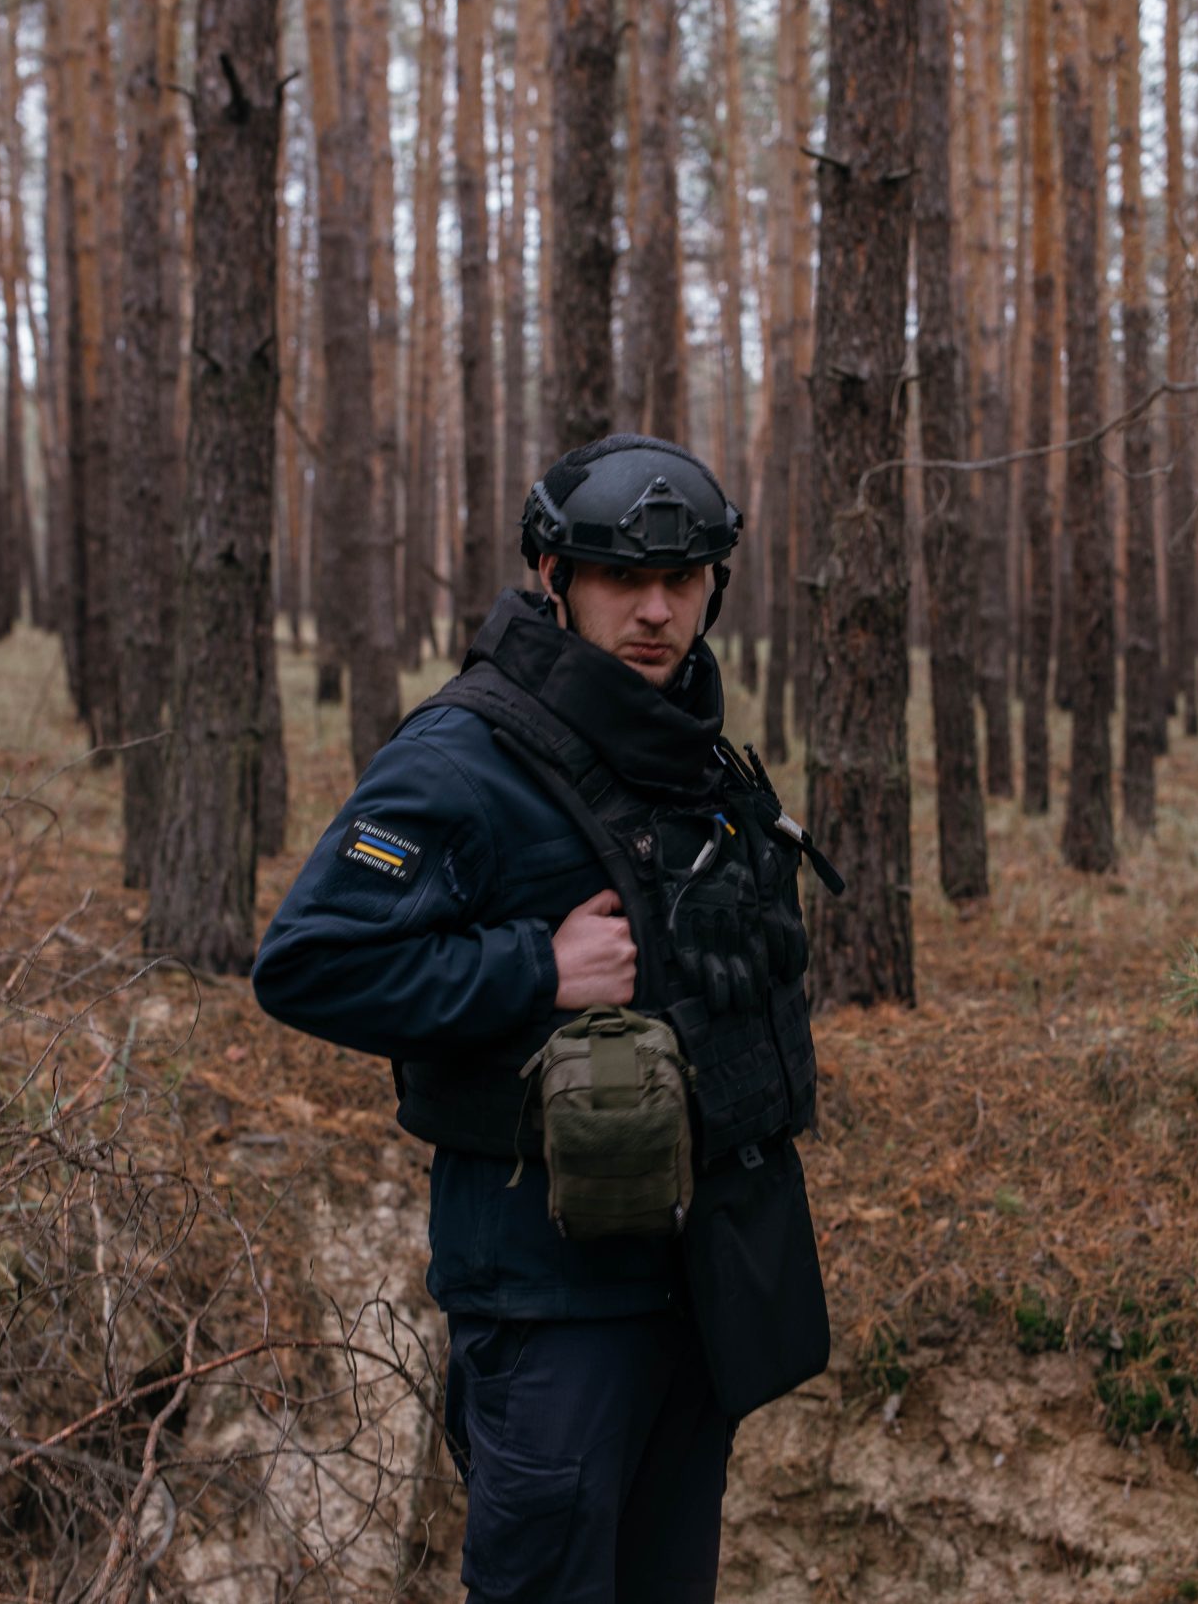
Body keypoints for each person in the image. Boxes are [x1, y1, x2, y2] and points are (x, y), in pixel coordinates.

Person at [252, 434, 833, 1604]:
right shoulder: (465, 756)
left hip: (696, 1285)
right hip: (549, 1305)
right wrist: (535, 968)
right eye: (624, 579)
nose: (658, 611)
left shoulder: (692, 754)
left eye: (685, 581)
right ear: (552, 577)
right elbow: (306, 963)